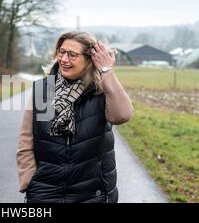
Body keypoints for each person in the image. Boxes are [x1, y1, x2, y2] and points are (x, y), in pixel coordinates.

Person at [16, 31, 134, 203]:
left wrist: (106, 71)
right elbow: (27, 139)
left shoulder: (100, 91)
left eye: (72, 54)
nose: (64, 59)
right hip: (46, 192)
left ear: (89, 60)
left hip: (92, 193)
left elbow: (122, 115)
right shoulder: (45, 90)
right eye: (61, 52)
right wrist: (29, 181)